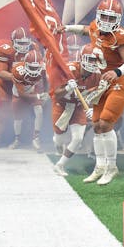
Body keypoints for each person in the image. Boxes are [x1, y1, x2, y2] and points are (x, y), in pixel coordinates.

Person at [62, 0, 124, 185]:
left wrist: (117, 71)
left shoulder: (121, 37)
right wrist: (68, 28)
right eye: (104, 16)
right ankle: (100, 167)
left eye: (111, 18)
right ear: (98, 15)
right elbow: (87, 29)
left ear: (118, 19)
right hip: (102, 83)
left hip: (119, 82)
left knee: (105, 123)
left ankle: (111, 167)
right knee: (96, 126)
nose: (107, 21)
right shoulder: (96, 27)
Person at [50, 44, 101, 176]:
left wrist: (93, 109)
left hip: (78, 107)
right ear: (82, 57)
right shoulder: (69, 70)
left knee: (77, 139)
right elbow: (56, 94)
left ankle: (60, 165)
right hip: (62, 104)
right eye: (89, 59)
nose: (92, 63)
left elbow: (97, 96)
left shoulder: (96, 76)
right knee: (60, 140)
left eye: (95, 60)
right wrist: (67, 88)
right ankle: (57, 143)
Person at [0, 27, 37, 148]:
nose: (23, 46)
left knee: (31, 112)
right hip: (7, 86)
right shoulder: (6, 50)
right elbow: (1, 72)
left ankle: (27, 139)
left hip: (25, 86)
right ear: (13, 41)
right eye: (20, 43)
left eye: (26, 43)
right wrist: (18, 77)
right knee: (3, 113)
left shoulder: (33, 48)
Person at [8, 50, 48, 151]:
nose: (34, 70)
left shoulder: (42, 68)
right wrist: (38, 96)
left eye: (36, 67)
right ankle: (17, 139)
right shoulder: (17, 71)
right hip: (18, 95)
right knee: (18, 119)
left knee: (39, 111)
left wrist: (46, 92)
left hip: (32, 91)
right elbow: (21, 94)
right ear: (25, 65)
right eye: (32, 67)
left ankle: (36, 138)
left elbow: (45, 79)